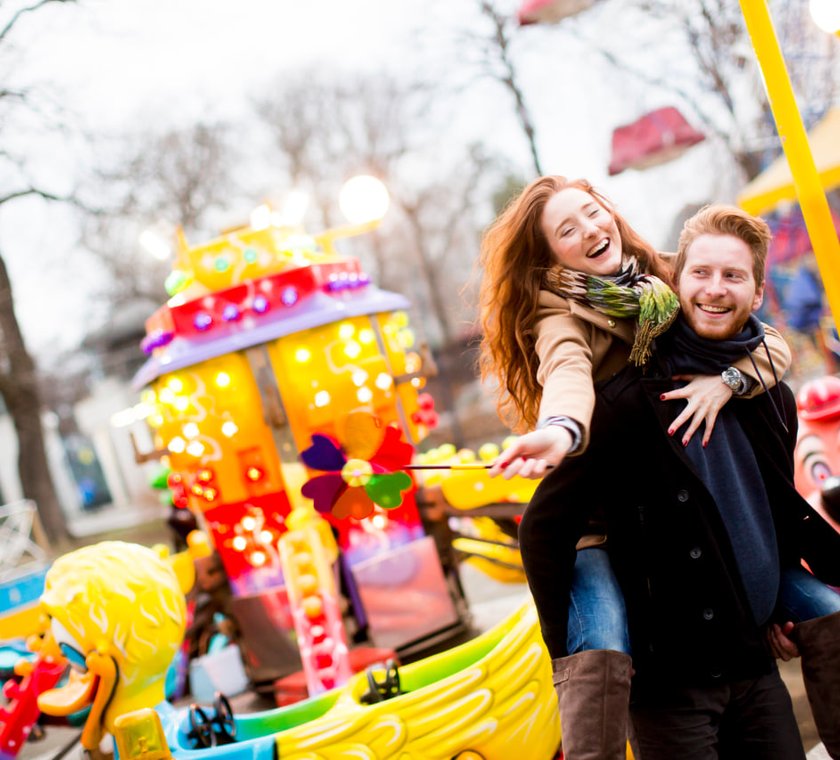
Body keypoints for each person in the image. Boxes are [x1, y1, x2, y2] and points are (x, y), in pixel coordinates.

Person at [509, 205, 840, 758]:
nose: (715, 289)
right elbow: (543, 525)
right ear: (677, 283)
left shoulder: (771, 398)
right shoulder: (622, 400)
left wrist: (776, 603)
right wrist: (563, 429)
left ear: (758, 293)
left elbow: (772, 515)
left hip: (753, 668)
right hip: (670, 685)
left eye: (733, 276)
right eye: (701, 274)